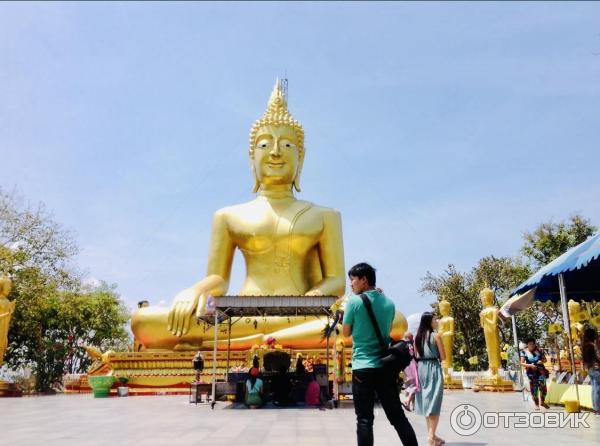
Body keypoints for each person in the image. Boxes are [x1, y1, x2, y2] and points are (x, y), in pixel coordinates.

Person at [342, 263, 417, 446]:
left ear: (364, 280)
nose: (351, 284)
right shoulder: (390, 303)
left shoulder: (353, 302)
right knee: (397, 417)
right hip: (386, 366)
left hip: (363, 367)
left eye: (353, 280)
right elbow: (388, 330)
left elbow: (345, 333)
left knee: (365, 420)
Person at [414, 312, 445, 446]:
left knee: (427, 402)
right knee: (434, 403)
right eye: (434, 319)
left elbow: (415, 355)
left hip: (421, 368)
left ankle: (433, 436)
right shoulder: (435, 336)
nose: (437, 321)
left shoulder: (417, 338)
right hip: (433, 367)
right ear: (429, 322)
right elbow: (443, 356)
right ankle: (431, 437)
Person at [520, 338, 549, 410]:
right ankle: (536, 404)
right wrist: (530, 365)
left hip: (541, 371)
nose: (532, 345)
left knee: (543, 388)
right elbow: (521, 363)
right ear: (527, 345)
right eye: (530, 344)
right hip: (531, 373)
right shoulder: (524, 352)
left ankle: (542, 402)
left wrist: (541, 361)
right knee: (534, 389)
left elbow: (545, 360)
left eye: (533, 344)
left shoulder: (539, 350)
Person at [581, 328, 600, 415]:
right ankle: (598, 409)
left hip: (590, 369)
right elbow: (598, 357)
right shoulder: (593, 345)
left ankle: (595, 408)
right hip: (596, 368)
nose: (597, 335)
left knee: (594, 388)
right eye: (595, 334)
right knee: (597, 389)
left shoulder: (584, 345)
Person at [401, 332, 419, 412]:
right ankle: (407, 401)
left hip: (405, 366)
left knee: (409, 385)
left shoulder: (402, 344)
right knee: (415, 384)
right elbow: (416, 355)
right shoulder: (413, 343)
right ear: (411, 337)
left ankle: (411, 405)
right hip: (412, 364)